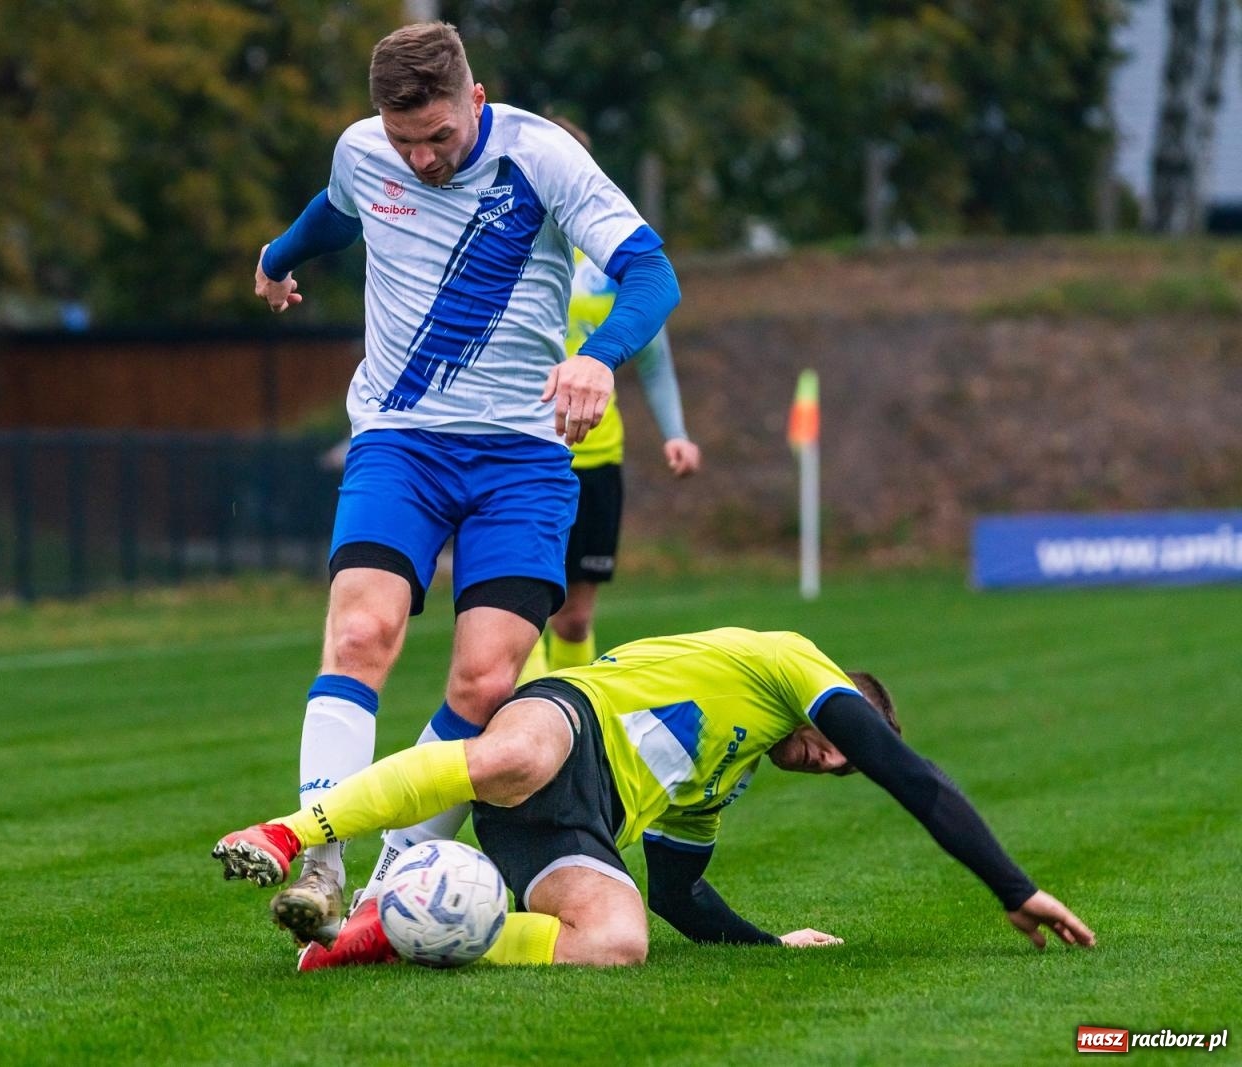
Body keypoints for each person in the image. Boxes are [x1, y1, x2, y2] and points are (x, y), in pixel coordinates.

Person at [252, 21, 679, 944]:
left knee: (486, 684)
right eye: (404, 140)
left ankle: (384, 888)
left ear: (475, 102)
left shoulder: (544, 157)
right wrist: (279, 256)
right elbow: (337, 207)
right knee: (362, 628)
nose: (421, 158)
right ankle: (321, 861)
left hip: (521, 459)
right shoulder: (367, 152)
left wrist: (600, 356)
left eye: (438, 138)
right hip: (400, 441)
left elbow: (652, 272)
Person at [214, 626, 1096, 968]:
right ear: (838, 696)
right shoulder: (789, 662)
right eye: (842, 742)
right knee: (514, 752)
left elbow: (677, 894)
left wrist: (769, 942)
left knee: (619, 939)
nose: (833, 761)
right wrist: (1013, 888)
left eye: (839, 768)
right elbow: (914, 777)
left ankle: (370, 935)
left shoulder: (719, 781)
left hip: (571, 825)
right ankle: (293, 834)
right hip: (572, 715)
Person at [515, 118, 701, 685]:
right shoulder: (505, 250)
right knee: (513, 614)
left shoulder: (612, 263)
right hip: (516, 454)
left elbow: (653, 355)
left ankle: (565, 725)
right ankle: (518, 730)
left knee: (573, 619)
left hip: (594, 458)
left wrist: (675, 433)